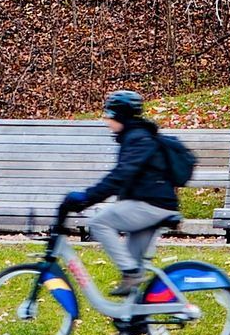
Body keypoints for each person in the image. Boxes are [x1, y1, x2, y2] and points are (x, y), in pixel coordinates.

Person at [60, 90, 187, 309]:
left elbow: (120, 176)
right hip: (151, 204)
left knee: (99, 222)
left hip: (153, 206)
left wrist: (86, 198)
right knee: (133, 262)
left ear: (122, 116)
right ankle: (132, 323)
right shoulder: (134, 137)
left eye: (109, 114)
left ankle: (130, 273)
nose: (106, 120)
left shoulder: (138, 140)